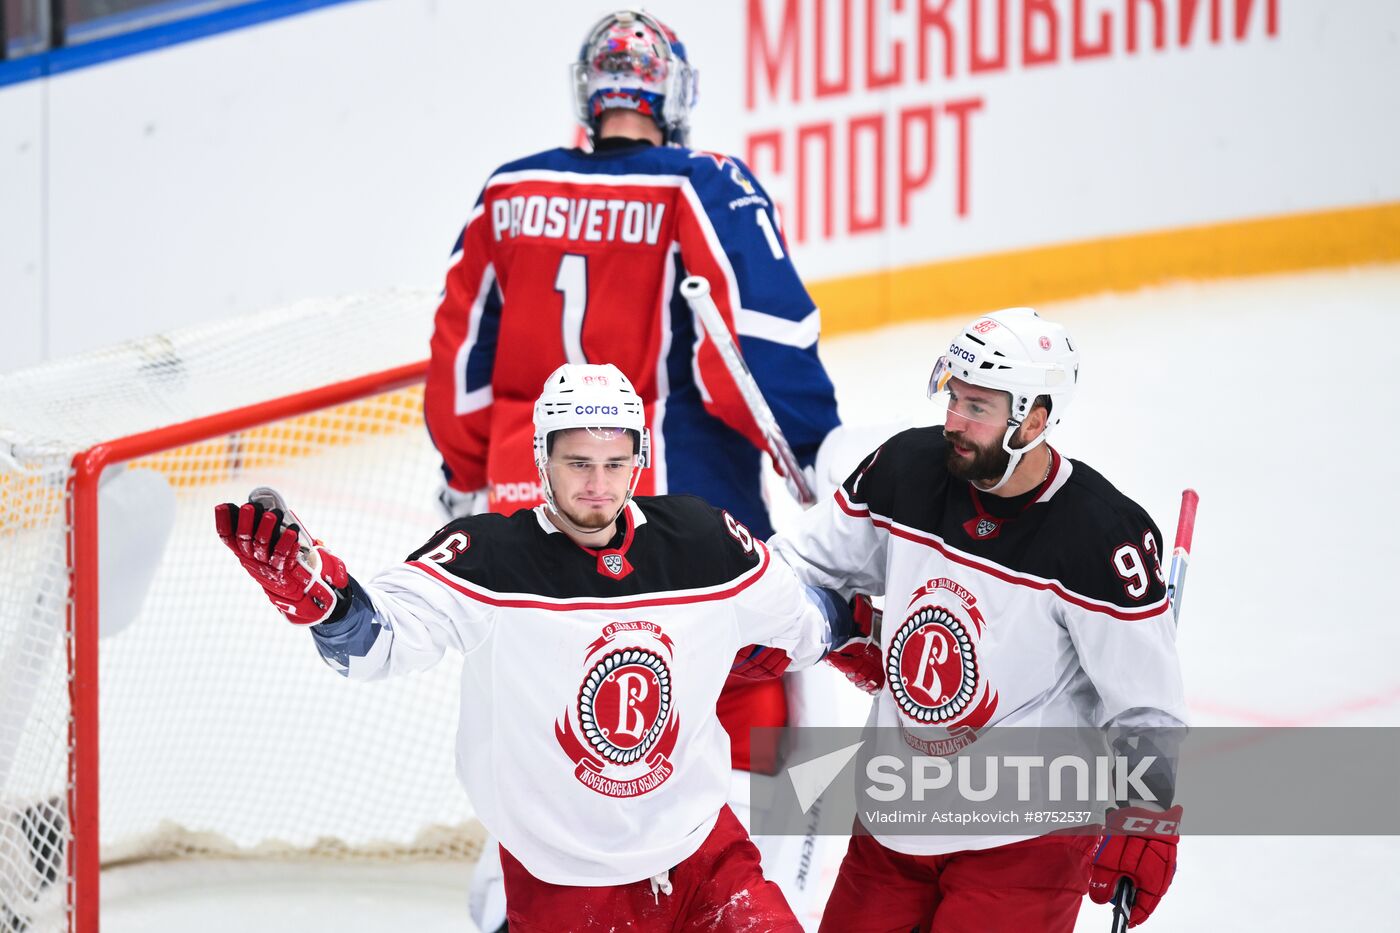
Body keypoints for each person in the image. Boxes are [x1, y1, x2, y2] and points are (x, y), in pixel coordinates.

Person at [421, 10, 851, 926]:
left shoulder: (509, 192)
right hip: (671, 513)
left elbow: (461, 363)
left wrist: (472, 479)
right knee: (757, 696)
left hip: (527, 516)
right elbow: (762, 341)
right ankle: (752, 890)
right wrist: (815, 448)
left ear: (593, 91)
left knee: (537, 722)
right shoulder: (702, 183)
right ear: (672, 95)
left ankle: (507, 900)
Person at [215, 364, 871, 932]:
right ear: (541, 459)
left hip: (704, 857)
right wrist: (325, 602)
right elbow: (376, 643)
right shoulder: (489, 558)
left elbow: (807, 621)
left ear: (639, 459)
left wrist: (861, 624)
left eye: (615, 463)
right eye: (577, 462)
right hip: (566, 884)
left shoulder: (701, 542)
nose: (597, 484)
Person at [769, 308, 1189, 931]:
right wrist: (836, 623)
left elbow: (1146, 710)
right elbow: (798, 566)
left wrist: (1145, 814)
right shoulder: (906, 469)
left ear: (1036, 418)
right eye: (955, 398)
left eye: (979, 408)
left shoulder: (1102, 537)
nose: (955, 422)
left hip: (1025, 842)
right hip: (893, 823)